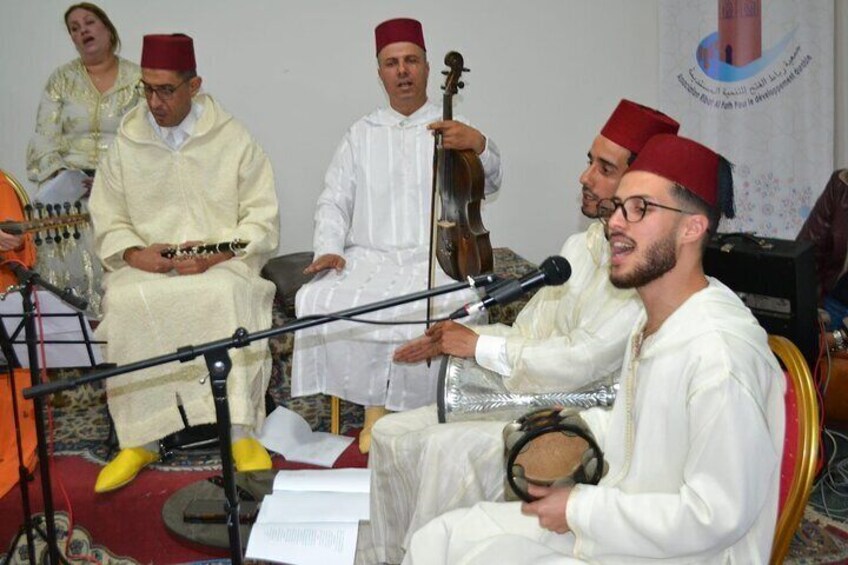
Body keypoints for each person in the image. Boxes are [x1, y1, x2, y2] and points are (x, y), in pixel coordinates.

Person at [404, 134, 785, 564]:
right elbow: (634, 428)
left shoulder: (718, 354)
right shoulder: (655, 322)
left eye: (641, 208)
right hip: (622, 527)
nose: (616, 223)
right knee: (444, 537)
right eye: (619, 207)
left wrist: (580, 508)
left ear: (692, 228)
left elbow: (715, 515)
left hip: (683, 554)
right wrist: (562, 433)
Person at [368, 99, 680, 563]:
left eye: (604, 168)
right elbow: (532, 329)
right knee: (390, 433)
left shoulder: (641, 270)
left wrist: (480, 345)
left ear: (639, 190)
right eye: (589, 161)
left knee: (441, 451)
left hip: (569, 418)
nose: (585, 176)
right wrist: (468, 339)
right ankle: (386, 557)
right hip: (525, 392)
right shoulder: (580, 246)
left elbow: (581, 361)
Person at [291, 17, 503, 453]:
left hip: (437, 255)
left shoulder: (455, 126)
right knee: (319, 298)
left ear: (427, 67)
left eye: (411, 61)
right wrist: (329, 249)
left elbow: (493, 181)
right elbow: (333, 200)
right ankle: (375, 407)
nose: (402, 71)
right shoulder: (361, 133)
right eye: (392, 63)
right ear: (380, 72)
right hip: (371, 254)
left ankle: (423, 411)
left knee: (446, 302)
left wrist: (479, 144)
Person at [88, 34, 279, 493]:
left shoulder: (231, 137)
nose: (154, 101)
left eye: (166, 90)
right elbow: (107, 217)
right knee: (127, 300)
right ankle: (140, 437)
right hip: (149, 266)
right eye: (146, 89)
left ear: (194, 85)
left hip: (220, 263)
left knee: (225, 295)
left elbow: (262, 215)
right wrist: (135, 253)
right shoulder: (126, 142)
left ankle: (239, 431)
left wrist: (220, 250)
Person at [26, 3, 141, 318]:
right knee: (44, 217)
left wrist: (111, 179)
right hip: (70, 188)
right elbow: (43, 137)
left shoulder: (137, 79)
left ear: (107, 28)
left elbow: (147, 140)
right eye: (74, 28)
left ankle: (117, 325)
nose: (82, 31)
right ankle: (68, 330)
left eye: (89, 22)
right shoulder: (61, 80)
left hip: (121, 185)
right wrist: (64, 175)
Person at [797, 169, 848, 330]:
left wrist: (840, 338)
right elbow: (808, 252)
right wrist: (813, 308)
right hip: (833, 302)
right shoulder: (841, 186)